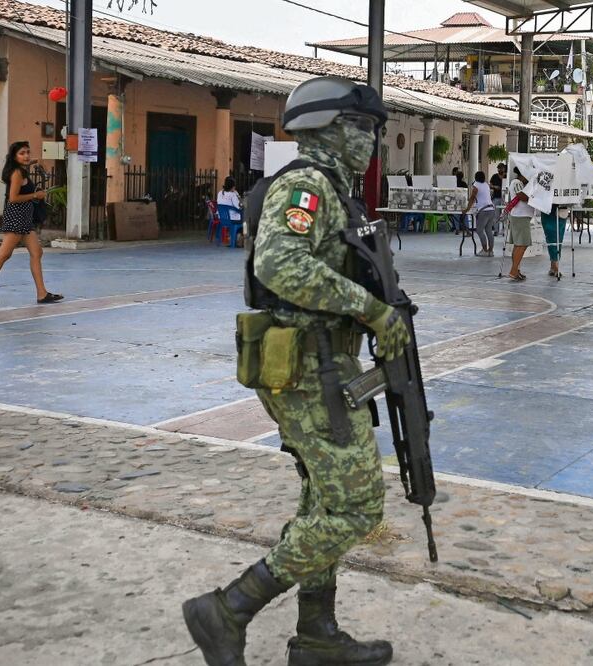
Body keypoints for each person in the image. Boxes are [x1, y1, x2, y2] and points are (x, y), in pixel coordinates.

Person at [182, 76, 406, 666]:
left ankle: (316, 635)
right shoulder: (306, 186)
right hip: (310, 368)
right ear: (327, 127)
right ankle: (229, 608)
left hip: (325, 363)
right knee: (357, 508)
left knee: (324, 503)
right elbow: (279, 264)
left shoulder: (335, 190)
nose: (370, 141)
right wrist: (372, 310)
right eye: (362, 128)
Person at [0, 141, 62, 306]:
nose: (26, 156)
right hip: (17, 217)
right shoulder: (17, 173)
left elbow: (27, 164)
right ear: (14, 156)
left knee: (37, 252)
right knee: (4, 255)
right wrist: (36, 195)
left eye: (28, 152)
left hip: (24, 218)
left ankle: (42, 293)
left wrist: (36, 161)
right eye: (22, 153)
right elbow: (13, 198)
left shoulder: (20, 169)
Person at [505, 167, 533, 280]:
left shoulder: (520, 183)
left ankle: (516, 270)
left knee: (519, 245)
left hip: (521, 216)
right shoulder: (516, 182)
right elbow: (522, 196)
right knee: (522, 244)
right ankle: (513, 270)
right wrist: (534, 197)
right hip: (520, 216)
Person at [463, 170, 495, 256]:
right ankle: (490, 251)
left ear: (475, 177)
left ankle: (484, 250)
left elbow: (472, 198)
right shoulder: (486, 184)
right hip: (491, 209)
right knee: (488, 231)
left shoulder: (476, 185)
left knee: (479, 230)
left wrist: (467, 209)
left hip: (483, 210)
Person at [540, 204, 567, 277]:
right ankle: (554, 265)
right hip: (547, 209)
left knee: (559, 238)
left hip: (561, 208)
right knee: (551, 238)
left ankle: (554, 265)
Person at [489, 162, 507, 236]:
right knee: (496, 215)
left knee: (504, 215)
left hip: (504, 198)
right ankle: (496, 230)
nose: (499, 169)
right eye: (499, 168)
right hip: (496, 197)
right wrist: (494, 187)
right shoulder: (494, 176)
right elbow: (490, 184)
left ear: (504, 168)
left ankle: (503, 230)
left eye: (501, 168)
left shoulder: (506, 176)